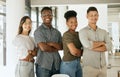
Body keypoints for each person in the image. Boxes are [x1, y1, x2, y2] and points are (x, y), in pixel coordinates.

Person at [79, 6, 112, 77]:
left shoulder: (104, 32)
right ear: (87, 16)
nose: (94, 17)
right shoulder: (82, 31)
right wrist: (102, 43)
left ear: (98, 16)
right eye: (91, 15)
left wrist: (92, 47)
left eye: (95, 15)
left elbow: (109, 46)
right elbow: (87, 45)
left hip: (103, 67)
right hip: (89, 68)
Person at [34, 7, 63, 77]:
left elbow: (62, 46)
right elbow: (43, 48)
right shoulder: (38, 31)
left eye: (49, 14)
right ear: (41, 17)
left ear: (52, 16)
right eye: (44, 15)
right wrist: (56, 48)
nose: (47, 17)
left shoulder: (57, 32)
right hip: (43, 66)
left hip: (56, 65)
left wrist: (51, 43)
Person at [60, 10, 83, 77]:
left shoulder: (78, 34)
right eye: (71, 22)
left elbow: (86, 46)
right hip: (68, 64)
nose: (74, 24)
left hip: (78, 62)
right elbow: (74, 52)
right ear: (67, 23)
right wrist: (85, 52)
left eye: (75, 21)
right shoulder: (66, 35)